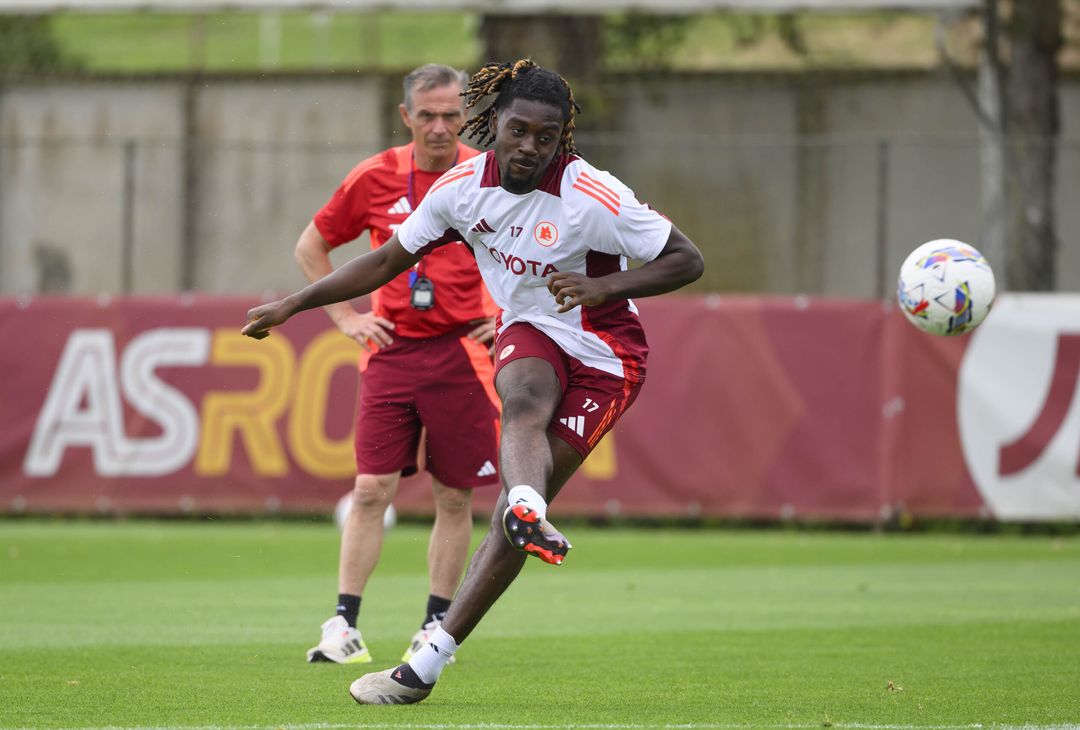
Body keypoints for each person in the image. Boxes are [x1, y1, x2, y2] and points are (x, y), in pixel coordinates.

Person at [243, 58, 704, 703]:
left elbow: (687, 259)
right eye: (518, 130)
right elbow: (385, 260)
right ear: (492, 123)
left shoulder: (592, 194)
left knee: (508, 519)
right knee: (523, 401)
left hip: (607, 354)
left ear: (563, 138)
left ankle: (427, 661)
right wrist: (293, 305)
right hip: (529, 326)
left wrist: (606, 285)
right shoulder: (460, 189)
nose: (529, 147)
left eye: (546, 137)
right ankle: (525, 511)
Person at [295, 64, 501, 667]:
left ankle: (436, 626)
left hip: (463, 352)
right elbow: (311, 245)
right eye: (427, 115)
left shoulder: (489, 177)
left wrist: (508, 314)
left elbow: (531, 251)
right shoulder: (376, 175)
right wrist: (344, 318)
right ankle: (343, 625)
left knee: (454, 496)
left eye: (451, 115)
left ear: (466, 117)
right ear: (406, 116)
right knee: (369, 490)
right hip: (392, 349)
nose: (439, 127)